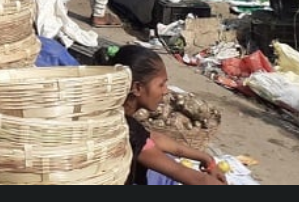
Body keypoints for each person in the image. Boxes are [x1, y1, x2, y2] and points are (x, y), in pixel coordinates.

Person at [96, 45, 227, 186]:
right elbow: (185, 174)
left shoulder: (117, 115)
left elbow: (155, 138)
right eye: (161, 85)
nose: (165, 91)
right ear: (138, 88)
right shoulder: (125, 133)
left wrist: (206, 158)